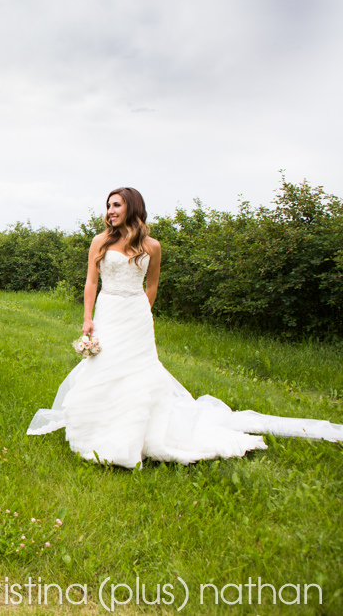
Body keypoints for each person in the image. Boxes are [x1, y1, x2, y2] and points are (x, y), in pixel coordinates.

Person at [27, 187, 342, 468]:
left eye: (117, 205)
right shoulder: (100, 241)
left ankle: (135, 436)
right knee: (103, 367)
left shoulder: (152, 246)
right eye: (108, 205)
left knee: (137, 372)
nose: (110, 211)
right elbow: (91, 281)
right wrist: (87, 318)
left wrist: (140, 313)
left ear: (132, 208)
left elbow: (152, 287)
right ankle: (97, 429)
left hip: (135, 316)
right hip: (107, 310)